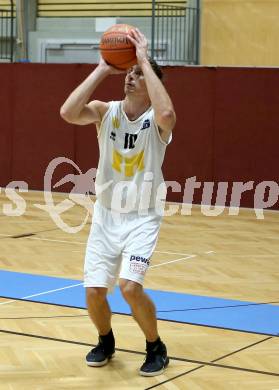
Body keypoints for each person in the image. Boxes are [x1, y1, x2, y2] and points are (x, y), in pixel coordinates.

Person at [60, 27, 176, 376]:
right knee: (95, 291)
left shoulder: (157, 120)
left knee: (128, 286)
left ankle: (155, 346)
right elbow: (67, 112)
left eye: (138, 74)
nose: (130, 77)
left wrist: (143, 59)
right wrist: (102, 68)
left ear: (151, 80)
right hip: (106, 215)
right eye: (128, 72)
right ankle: (105, 338)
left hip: (142, 217)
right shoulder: (105, 111)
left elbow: (168, 114)